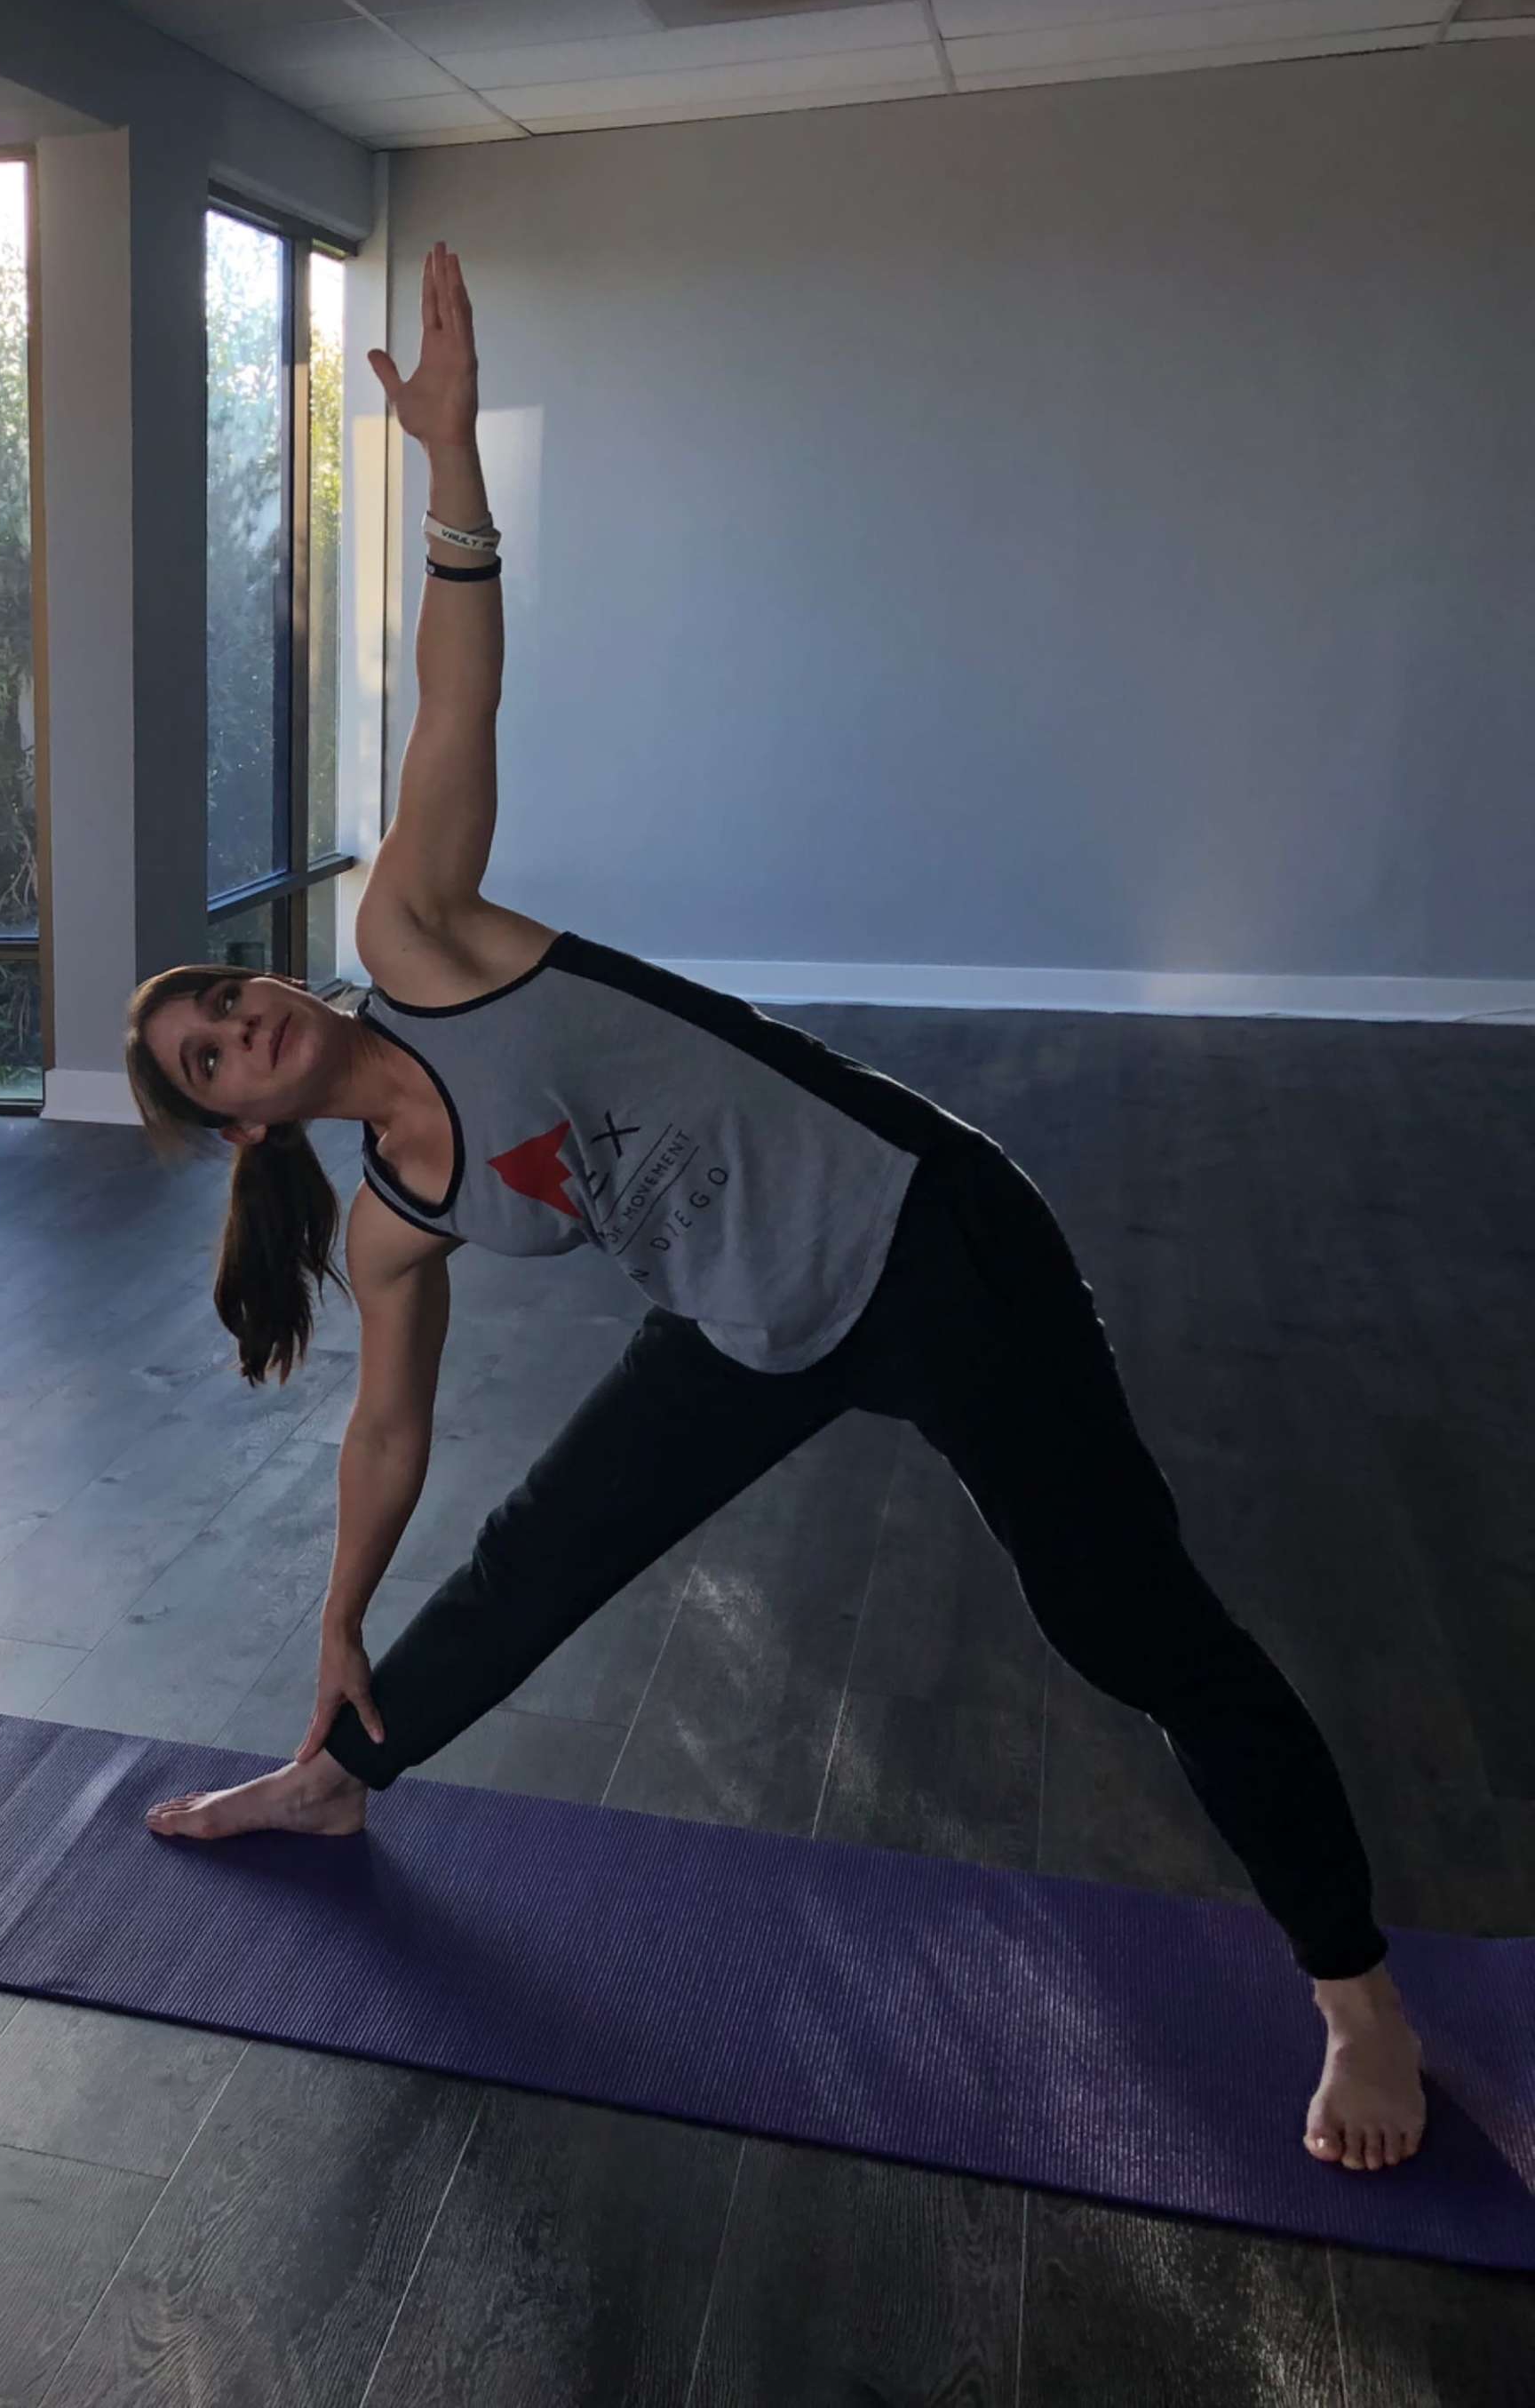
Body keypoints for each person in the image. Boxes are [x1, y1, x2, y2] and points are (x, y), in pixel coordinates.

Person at [125, 249, 1421, 2173]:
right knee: (540, 1557)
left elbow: (452, 700)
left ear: (281, 986)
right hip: (743, 1318)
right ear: (239, 1130)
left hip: (928, 1239)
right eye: (213, 1057)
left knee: (1127, 1620)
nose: (241, 1025)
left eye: (225, 998)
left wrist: (456, 462)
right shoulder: (395, 1208)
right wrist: (336, 1621)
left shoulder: (422, 935)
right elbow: (390, 1426)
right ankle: (335, 1782)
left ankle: (1358, 2002)